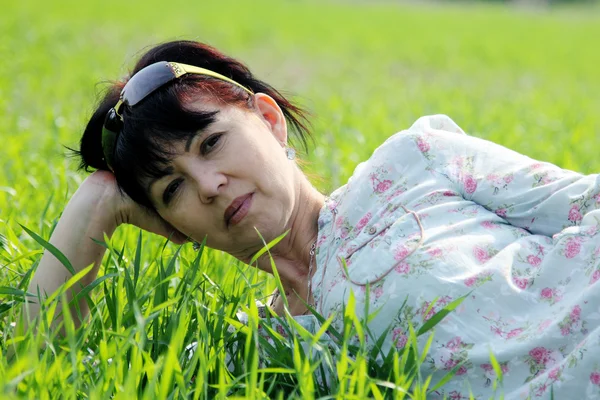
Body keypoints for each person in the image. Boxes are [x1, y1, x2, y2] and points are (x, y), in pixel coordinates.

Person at [27, 40, 600, 399]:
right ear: (168, 222)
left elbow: (585, 202)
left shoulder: (414, 160)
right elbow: (41, 369)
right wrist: (94, 208)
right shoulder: (268, 350)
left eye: (211, 143)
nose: (208, 186)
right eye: (171, 188)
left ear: (270, 121)